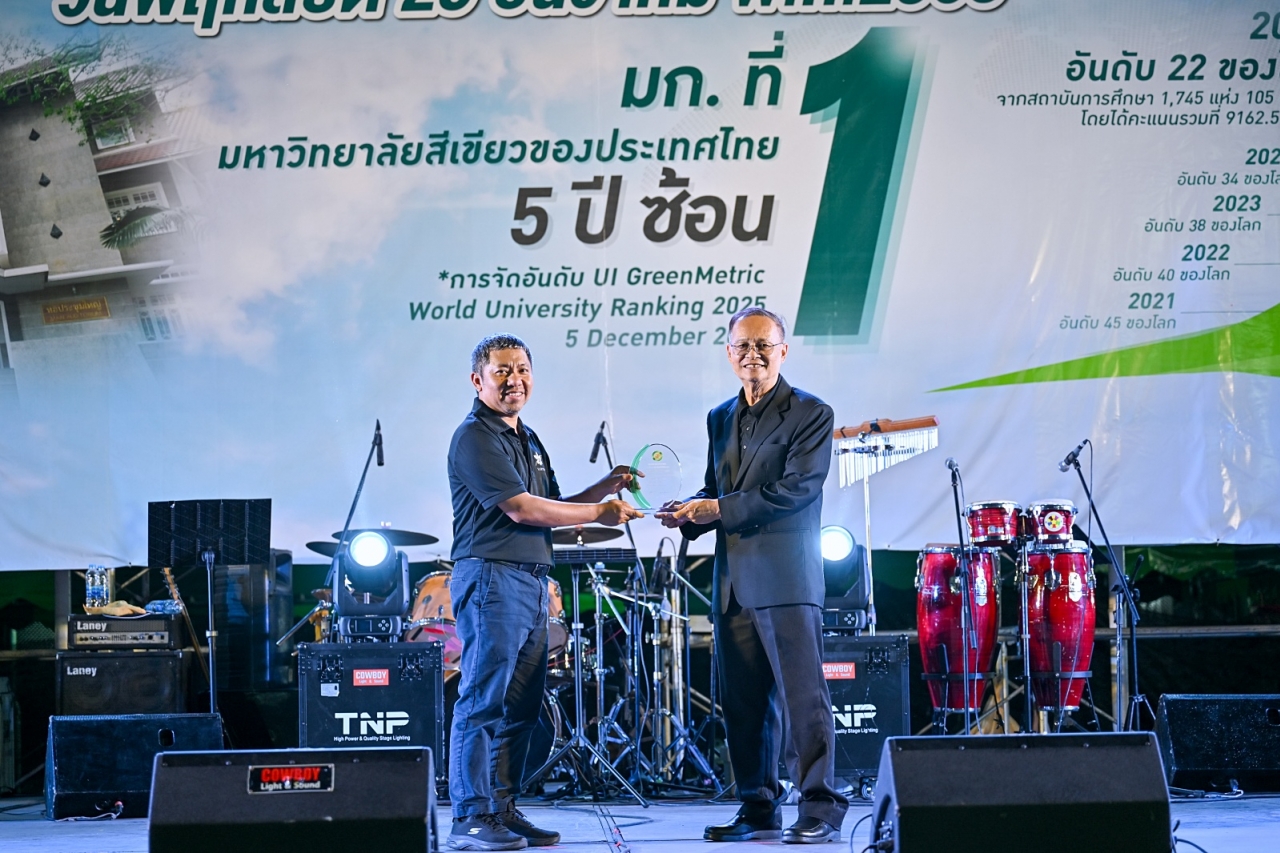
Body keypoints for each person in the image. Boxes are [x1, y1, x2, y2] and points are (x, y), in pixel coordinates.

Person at [447, 333, 643, 850]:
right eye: (502, 371)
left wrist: (604, 489)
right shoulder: (474, 437)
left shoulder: (528, 438)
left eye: (522, 370)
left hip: (532, 583)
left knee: (521, 709)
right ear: (478, 380)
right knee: (483, 702)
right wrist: (599, 512)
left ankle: (502, 809)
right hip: (491, 579)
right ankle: (470, 815)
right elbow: (521, 509)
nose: (515, 380)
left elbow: (554, 506)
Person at [659, 306, 847, 844]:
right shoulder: (720, 416)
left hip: (786, 579)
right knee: (743, 705)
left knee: (802, 701)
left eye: (763, 345)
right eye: (743, 346)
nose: (753, 355)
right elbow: (716, 488)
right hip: (733, 583)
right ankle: (758, 807)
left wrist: (717, 508)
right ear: (729, 353)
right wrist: (688, 513)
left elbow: (797, 489)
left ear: (783, 351)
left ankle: (820, 807)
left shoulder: (811, 412)